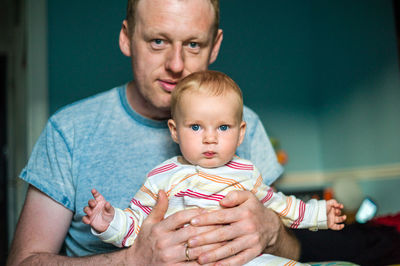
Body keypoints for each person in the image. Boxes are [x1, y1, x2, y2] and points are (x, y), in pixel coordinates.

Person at [7, 0, 302, 265]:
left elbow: (293, 252)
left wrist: (273, 232)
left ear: (215, 46)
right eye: (158, 41)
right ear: (127, 37)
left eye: (194, 45)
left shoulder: (243, 126)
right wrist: (134, 259)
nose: (176, 65)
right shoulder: (70, 130)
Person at [82, 70, 346, 264]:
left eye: (223, 127)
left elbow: (280, 206)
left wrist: (320, 214)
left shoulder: (247, 173)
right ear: (175, 131)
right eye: (196, 127)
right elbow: (138, 225)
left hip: (242, 260)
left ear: (241, 133)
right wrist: (109, 222)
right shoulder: (163, 176)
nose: (210, 138)